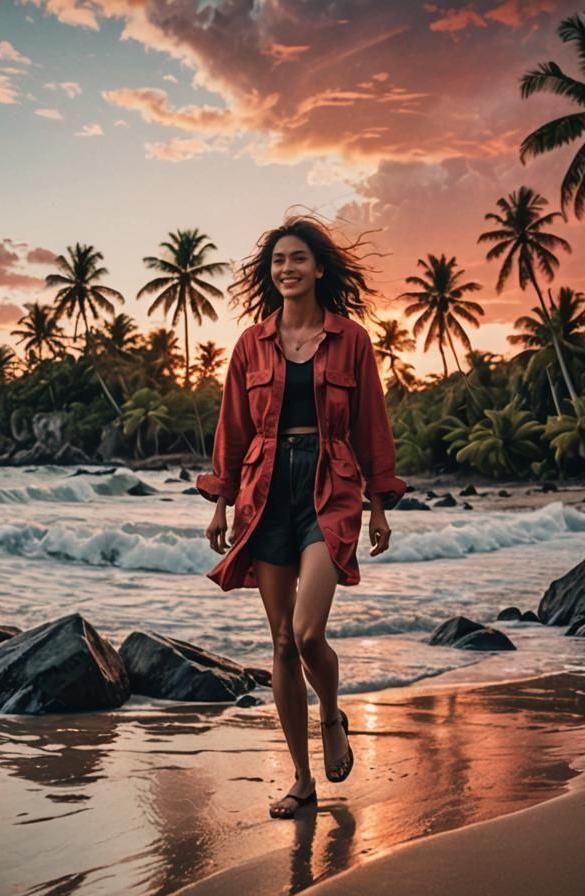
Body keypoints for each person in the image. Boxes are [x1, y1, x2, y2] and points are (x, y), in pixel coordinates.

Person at [196, 215, 407, 820]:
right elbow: (233, 427)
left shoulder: (351, 340)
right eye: (278, 261)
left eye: (297, 259)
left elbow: (371, 426)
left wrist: (378, 504)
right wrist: (221, 502)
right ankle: (301, 779)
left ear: (318, 268)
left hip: (330, 485)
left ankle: (331, 715)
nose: (286, 269)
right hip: (264, 492)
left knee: (309, 633)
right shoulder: (250, 344)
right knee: (283, 644)